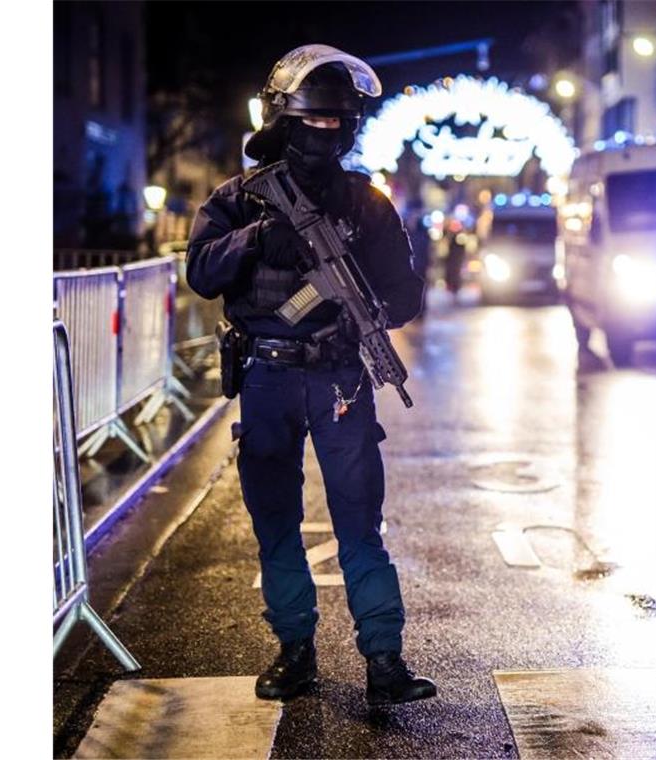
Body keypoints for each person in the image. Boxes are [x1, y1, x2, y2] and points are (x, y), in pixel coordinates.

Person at [186, 44, 435, 705]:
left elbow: (407, 294)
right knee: (275, 521)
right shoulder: (238, 200)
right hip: (266, 378)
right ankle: (294, 652)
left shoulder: (366, 204)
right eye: (312, 123)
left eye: (337, 125)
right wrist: (256, 241)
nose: (325, 135)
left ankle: (383, 659)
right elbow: (201, 271)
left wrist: (361, 305)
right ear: (282, 122)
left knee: (360, 523)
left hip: (340, 379)